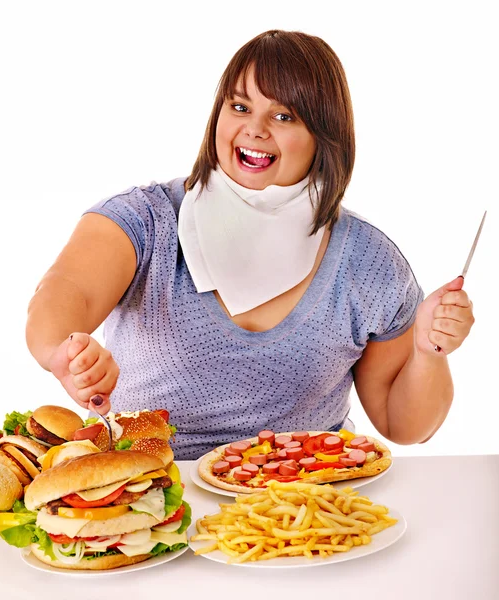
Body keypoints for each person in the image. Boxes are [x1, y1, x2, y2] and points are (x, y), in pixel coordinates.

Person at [25, 30, 475, 460]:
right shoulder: (146, 219)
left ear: (324, 135)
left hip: (301, 508)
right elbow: (66, 290)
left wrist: (428, 352)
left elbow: (406, 426)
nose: (255, 128)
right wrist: (63, 353)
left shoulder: (367, 261)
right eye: (240, 106)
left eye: (284, 116)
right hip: (146, 497)